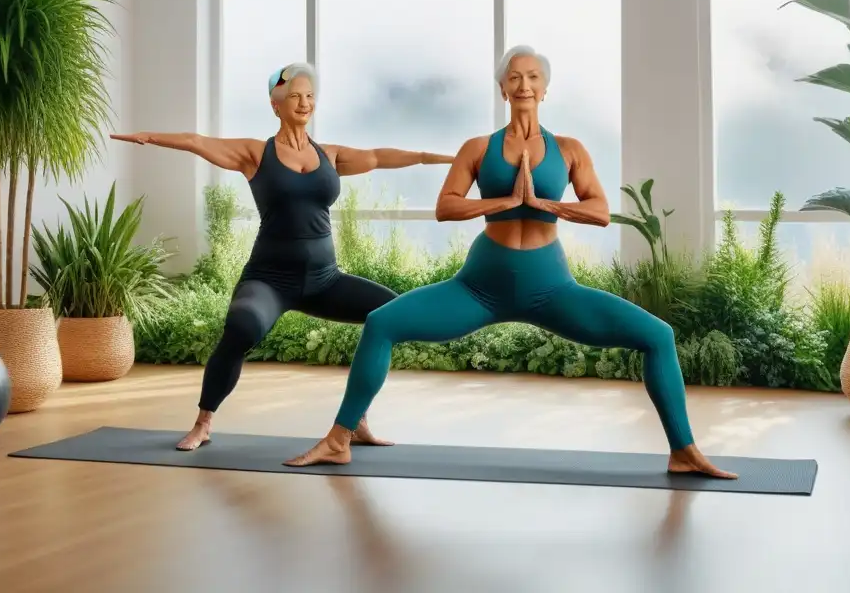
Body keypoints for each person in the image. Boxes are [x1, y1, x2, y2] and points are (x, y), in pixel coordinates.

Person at [283, 46, 737, 479]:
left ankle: (683, 451)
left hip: (552, 288)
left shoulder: (571, 149)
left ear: (545, 89)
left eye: (533, 77)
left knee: (657, 336)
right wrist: (503, 203)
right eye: (514, 77)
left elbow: (599, 211)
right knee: (381, 323)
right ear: (503, 89)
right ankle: (340, 438)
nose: (523, 84)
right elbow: (446, 206)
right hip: (480, 288)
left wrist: (543, 203)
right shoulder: (478, 148)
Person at [111, 62, 456, 451]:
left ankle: (355, 420)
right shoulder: (255, 154)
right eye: (294, 96)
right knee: (241, 329)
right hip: (270, 281)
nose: (304, 103)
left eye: (309, 96)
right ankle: (203, 422)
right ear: (275, 105)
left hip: (326, 280)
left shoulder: (330, 155)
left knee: (389, 315)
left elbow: (378, 156)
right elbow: (196, 140)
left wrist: (439, 158)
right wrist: (147, 137)